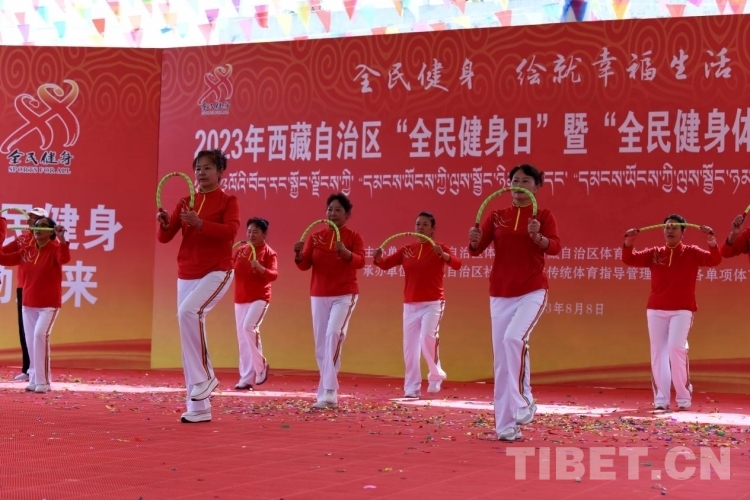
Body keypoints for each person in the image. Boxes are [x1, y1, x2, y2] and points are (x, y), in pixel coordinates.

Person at [468, 164, 560, 442]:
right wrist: (474, 241)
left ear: (536, 186)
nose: (519, 185)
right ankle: (506, 426)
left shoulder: (543, 215)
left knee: (513, 339)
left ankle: (524, 400)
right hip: (500, 292)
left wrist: (539, 237)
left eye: (526, 181)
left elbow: (555, 246)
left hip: (532, 289)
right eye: (515, 180)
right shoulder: (497, 216)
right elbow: (477, 249)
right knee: (502, 361)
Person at [156, 149, 240, 423]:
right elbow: (166, 237)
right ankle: (198, 408)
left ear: (220, 172)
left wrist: (200, 223)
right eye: (198, 168)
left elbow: (230, 232)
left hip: (217, 270)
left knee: (188, 313)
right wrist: (165, 224)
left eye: (207, 168)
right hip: (186, 272)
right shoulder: (185, 201)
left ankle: (205, 378)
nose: (201, 173)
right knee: (188, 335)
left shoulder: (228, 200)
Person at [622, 215, 721, 411]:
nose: (670, 230)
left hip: (682, 310)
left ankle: (683, 395)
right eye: (667, 227)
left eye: (675, 227)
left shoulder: (691, 252)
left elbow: (714, 259)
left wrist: (711, 241)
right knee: (658, 352)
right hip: (656, 309)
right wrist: (629, 242)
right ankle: (661, 398)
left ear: (683, 232)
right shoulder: (655, 253)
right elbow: (629, 259)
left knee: (676, 348)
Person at [373, 212, 462, 399]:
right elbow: (386, 264)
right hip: (410, 304)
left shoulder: (439, 248)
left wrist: (443, 255)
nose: (420, 228)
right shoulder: (407, 250)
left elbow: (457, 264)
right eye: (418, 224)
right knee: (410, 347)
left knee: (427, 338)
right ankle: (411, 388)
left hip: (433, 303)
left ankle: (435, 374)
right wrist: (379, 258)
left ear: (433, 229)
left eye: (425, 224)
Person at [294, 193, 365, 409]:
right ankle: (324, 391)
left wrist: (345, 252)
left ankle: (330, 391)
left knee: (333, 334)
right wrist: (298, 255)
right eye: (330, 209)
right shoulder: (316, 236)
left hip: (344, 295)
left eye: (338, 210)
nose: (333, 214)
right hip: (319, 294)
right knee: (321, 345)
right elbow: (305, 264)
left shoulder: (354, 237)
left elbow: (361, 261)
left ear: (347, 214)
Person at [0, 217, 70, 393]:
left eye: (43, 226)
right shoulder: (27, 251)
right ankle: (34, 379)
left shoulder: (55, 249)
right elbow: (3, 259)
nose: (37, 229)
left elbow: (64, 258)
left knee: (40, 336)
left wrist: (62, 239)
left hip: (48, 305)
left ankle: (44, 381)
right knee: (31, 341)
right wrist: (1, 230)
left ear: (51, 231)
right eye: (36, 226)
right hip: (28, 303)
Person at [2, 207, 49, 382]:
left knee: (39, 333)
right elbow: (4, 254)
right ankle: (28, 369)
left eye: (35, 218)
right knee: (25, 330)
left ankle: (39, 372)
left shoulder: (45, 240)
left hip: (40, 289)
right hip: (23, 288)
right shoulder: (22, 238)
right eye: (29, 217)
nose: (30, 221)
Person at [232, 217, 277, 391]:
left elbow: (273, 275)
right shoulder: (241, 250)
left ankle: (261, 365)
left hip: (259, 297)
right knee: (243, 339)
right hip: (240, 298)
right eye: (249, 231)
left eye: (256, 232)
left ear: (264, 234)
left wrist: (260, 268)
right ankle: (246, 379)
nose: (251, 235)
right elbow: (230, 268)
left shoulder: (269, 253)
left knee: (248, 328)